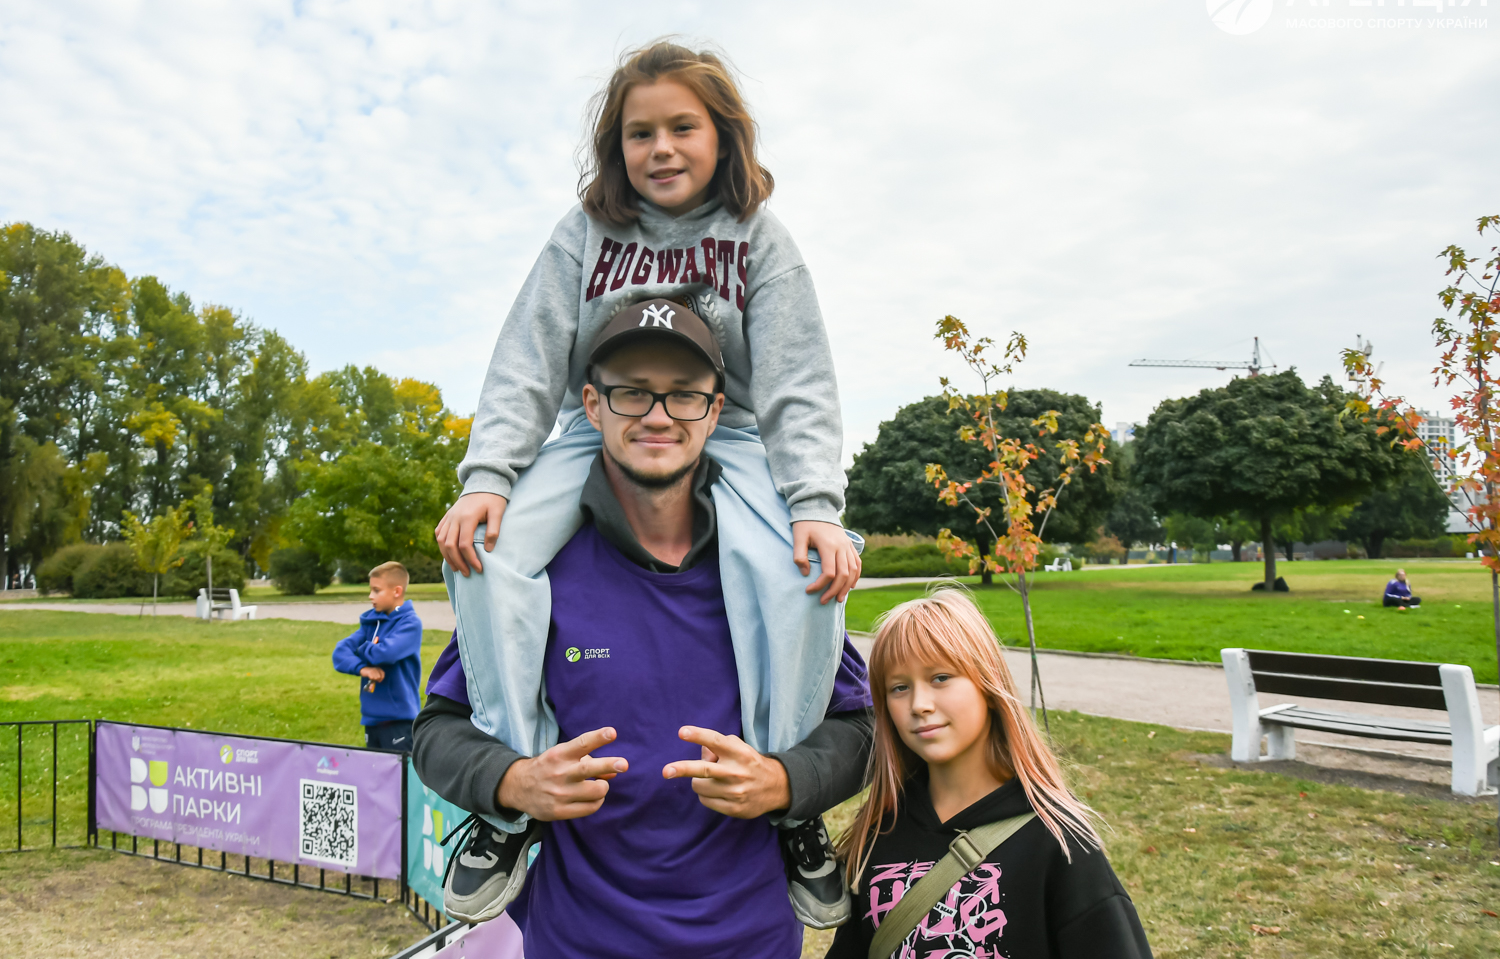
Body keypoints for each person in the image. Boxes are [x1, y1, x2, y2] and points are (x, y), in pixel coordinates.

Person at [412, 314, 874, 956]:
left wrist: (787, 782)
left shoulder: (777, 576)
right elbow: (437, 730)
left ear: (715, 412)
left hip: (751, 936)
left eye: (683, 394)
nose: (658, 416)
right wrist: (512, 781)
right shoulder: (529, 575)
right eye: (632, 392)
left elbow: (859, 727)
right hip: (575, 936)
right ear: (592, 404)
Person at [829, 589, 1152, 959]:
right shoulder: (879, 833)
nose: (919, 704)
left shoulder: (1057, 839)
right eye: (899, 688)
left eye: (940, 678)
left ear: (987, 683)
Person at [332, 562, 424, 751]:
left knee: (400, 771)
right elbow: (340, 653)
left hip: (399, 720)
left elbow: (385, 654)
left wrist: (361, 648)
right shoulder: (371, 623)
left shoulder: (410, 624)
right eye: (370, 590)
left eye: (376, 590)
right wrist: (363, 669)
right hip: (371, 719)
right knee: (374, 770)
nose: (370, 596)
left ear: (396, 591)